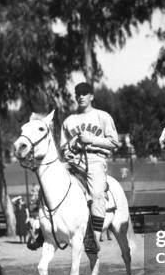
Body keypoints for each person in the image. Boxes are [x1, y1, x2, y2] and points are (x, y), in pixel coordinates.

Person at [26, 82, 120, 253]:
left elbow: (114, 142)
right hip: (73, 161)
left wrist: (91, 140)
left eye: (85, 93)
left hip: (94, 160)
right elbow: (63, 147)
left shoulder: (102, 116)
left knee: (97, 195)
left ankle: (94, 238)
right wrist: (70, 147)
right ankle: (42, 231)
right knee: (49, 181)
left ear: (91, 96)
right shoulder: (70, 121)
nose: (81, 97)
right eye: (78, 94)